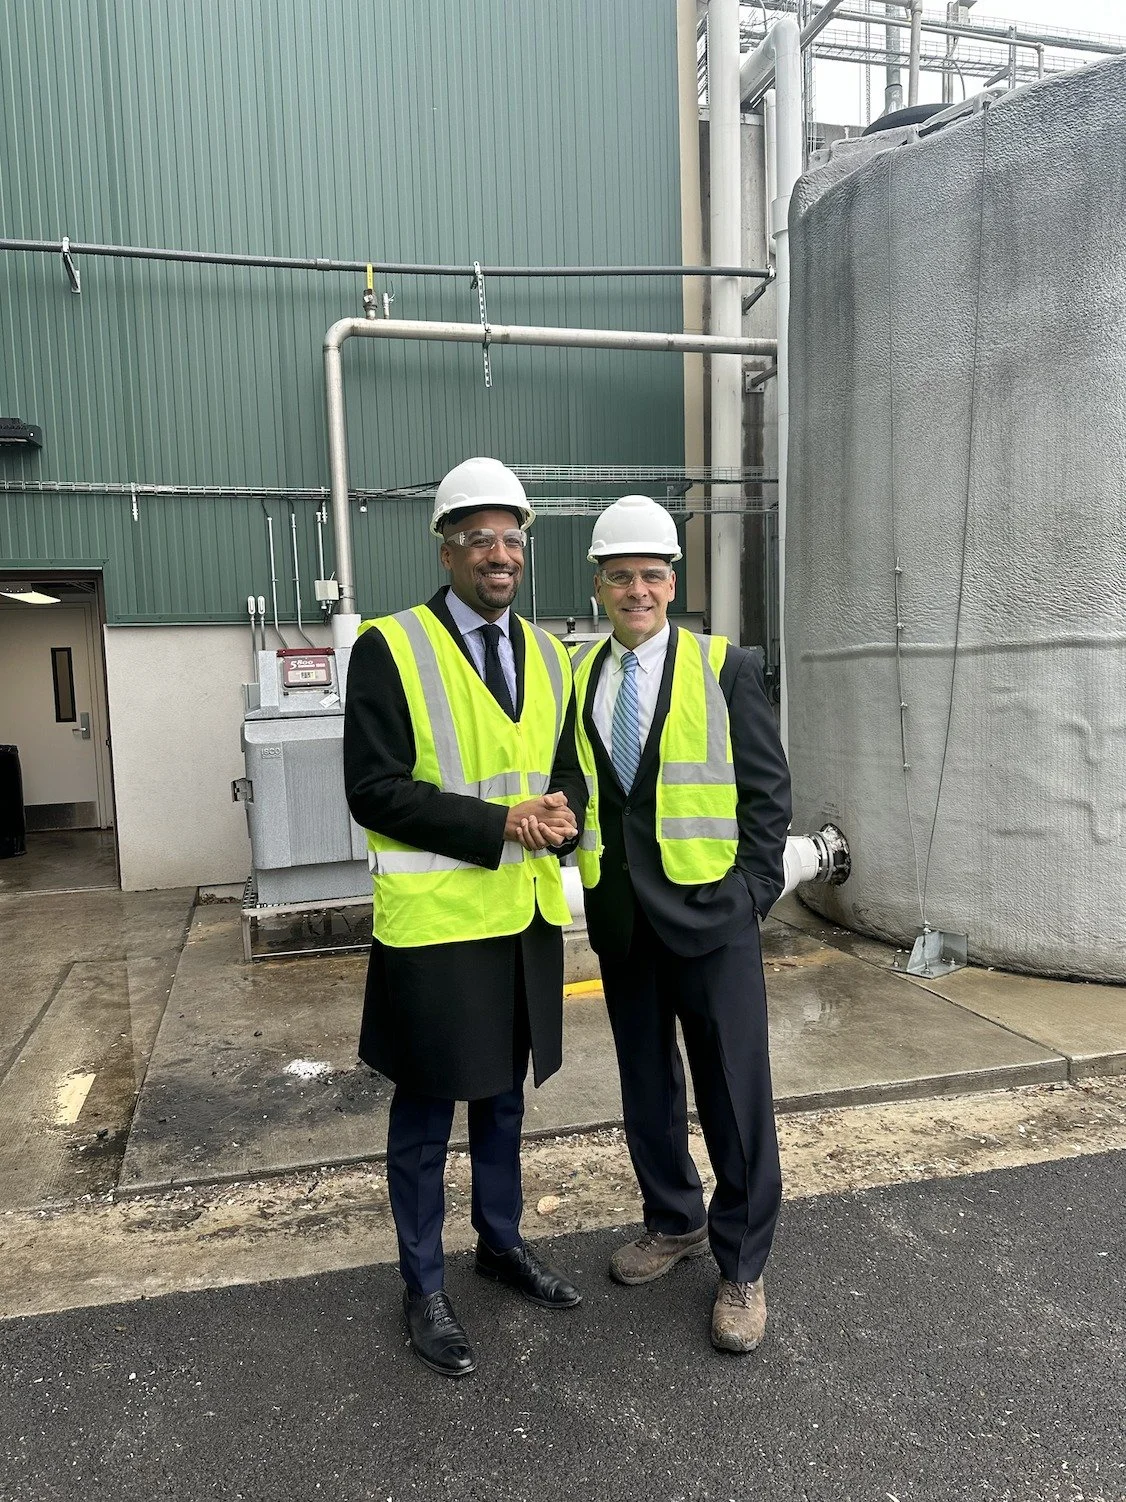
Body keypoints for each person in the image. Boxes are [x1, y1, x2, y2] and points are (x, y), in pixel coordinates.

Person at [344, 456, 587, 1379]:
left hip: (519, 916)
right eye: (478, 538)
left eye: (511, 539)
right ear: (445, 549)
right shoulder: (390, 646)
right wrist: (502, 822)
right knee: (425, 1112)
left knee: (501, 1097)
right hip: (438, 924)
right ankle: (423, 1283)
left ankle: (499, 1241)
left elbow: (557, 773)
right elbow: (374, 791)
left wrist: (562, 820)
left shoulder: (552, 657)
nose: (499, 554)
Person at [565, 494, 791, 1354]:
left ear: (674, 580)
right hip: (624, 923)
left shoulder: (726, 665)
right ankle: (674, 1219)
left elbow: (768, 792)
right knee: (648, 1088)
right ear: (599, 585)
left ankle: (741, 1264)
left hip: (712, 918)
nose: (637, 590)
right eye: (620, 577)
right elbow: (583, 787)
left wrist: (751, 895)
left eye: (651, 576)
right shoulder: (580, 674)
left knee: (734, 1094)